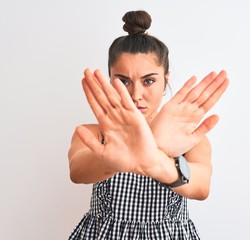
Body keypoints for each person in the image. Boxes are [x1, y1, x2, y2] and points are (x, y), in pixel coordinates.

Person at [68, 10, 229, 240]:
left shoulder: (189, 138)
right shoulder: (95, 133)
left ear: (166, 80)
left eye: (149, 81)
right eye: (123, 81)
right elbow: (77, 171)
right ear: (109, 79)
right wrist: (133, 149)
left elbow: (201, 187)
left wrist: (152, 152)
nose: (136, 94)